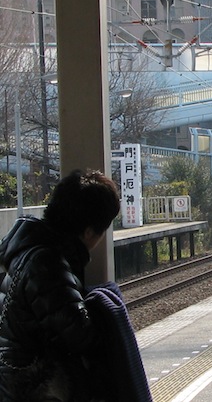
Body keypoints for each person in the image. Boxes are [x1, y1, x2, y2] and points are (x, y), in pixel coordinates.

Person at [0, 170, 142, 401]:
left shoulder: (27, 250)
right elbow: (77, 334)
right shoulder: (47, 263)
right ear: (88, 231)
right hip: (34, 390)